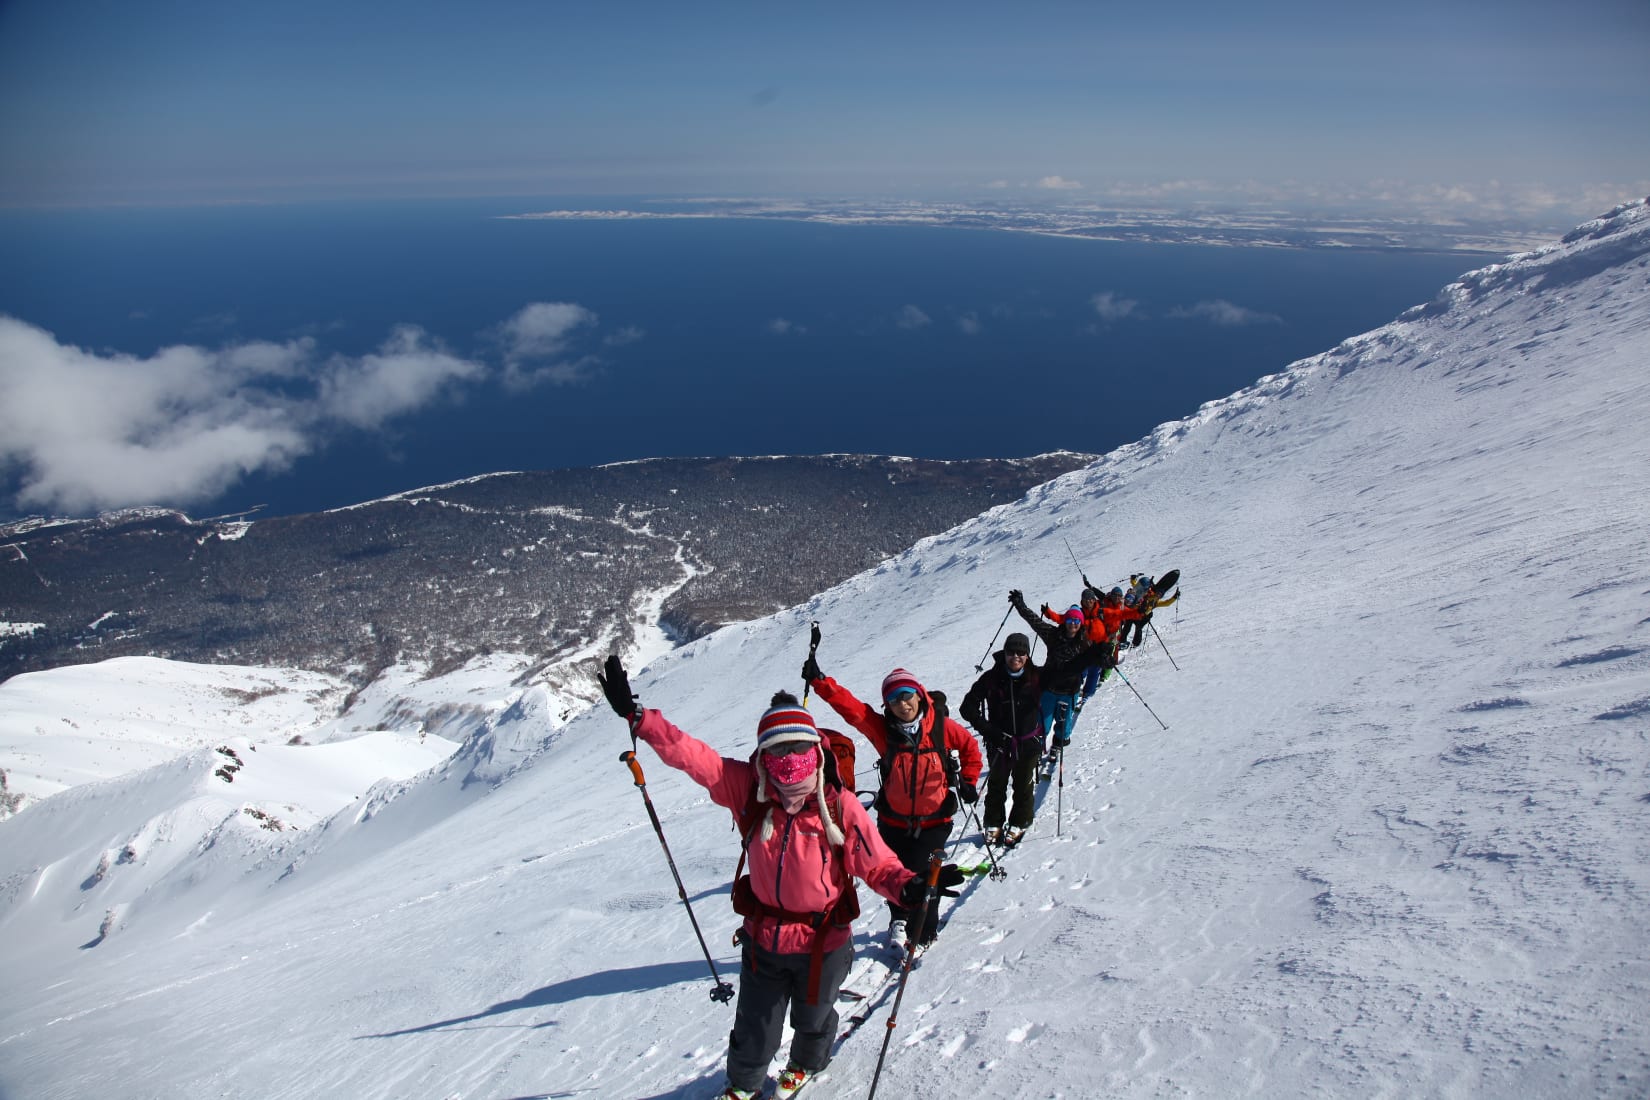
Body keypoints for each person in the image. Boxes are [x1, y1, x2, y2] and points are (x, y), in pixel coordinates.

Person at [597, 656, 961, 1100]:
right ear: (762, 755)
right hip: (764, 941)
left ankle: (807, 1062)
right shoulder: (749, 790)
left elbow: (877, 863)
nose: (788, 760)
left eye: (797, 748)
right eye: (777, 750)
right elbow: (692, 756)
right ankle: (744, 1084)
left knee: (813, 1017)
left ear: (816, 750)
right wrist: (639, 717)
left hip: (824, 942)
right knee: (755, 1026)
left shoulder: (838, 805)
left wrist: (908, 886)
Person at [803, 658, 982, 950]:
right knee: (895, 875)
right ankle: (898, 918)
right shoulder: (884, 731)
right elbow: (853, 710)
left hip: (934, 823)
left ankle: (924, 932)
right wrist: (821, 682)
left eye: (906, 695)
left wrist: (970, 781)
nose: (902, 704)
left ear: (919, 694)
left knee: (927, 880)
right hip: (892, 823)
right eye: (894, 699)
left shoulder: (941, 727)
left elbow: (970, 748)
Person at [959, 631, 1044, 846]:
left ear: (1027, 654)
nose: (1015, 656)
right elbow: (967, 707)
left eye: (1021, 652)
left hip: (1028, 742)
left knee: (1023, 785)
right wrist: (989, 731)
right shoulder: (991, 678)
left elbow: (1065, 676)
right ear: (1004, 653)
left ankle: (1020, 821)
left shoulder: (1037, 676)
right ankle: (993, 822)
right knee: (997, 783)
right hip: (998, 743)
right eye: (1011, 652)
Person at [1012, 589, 1102, 748]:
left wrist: (1106, 657)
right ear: (1065, 621)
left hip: (1070, 691)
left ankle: (1058, 744)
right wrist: (1021, 605)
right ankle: (1037, 748)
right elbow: (1034, 621)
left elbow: (1097, 657)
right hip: (1049, 688)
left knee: (1064, 724)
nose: (1073, 623)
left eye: (1076, 620)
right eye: (1070, 620)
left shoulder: (1085, 642)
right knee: (1042, 723)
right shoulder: (1053, 635)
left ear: (1081, 622)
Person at [1126, 575, 1180, 648]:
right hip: (1135, 612)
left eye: (1160, 595)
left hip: (1143, 617)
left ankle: (1135, 644)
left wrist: (1174, 597)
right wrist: (1133, 580)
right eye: (1158, 593)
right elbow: (1137, 587)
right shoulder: (1147, 594)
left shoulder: (1156, 602)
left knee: (1139, 628)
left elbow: (1167, 603)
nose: (1158, 595)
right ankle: (1123, 640)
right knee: (1127, 624)